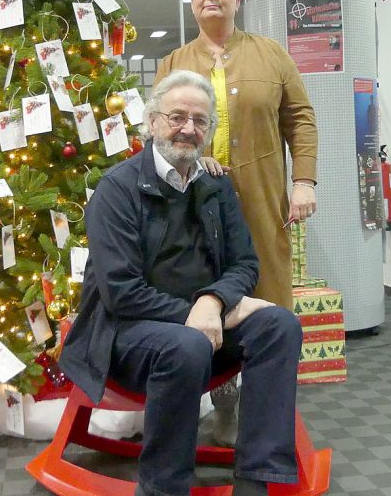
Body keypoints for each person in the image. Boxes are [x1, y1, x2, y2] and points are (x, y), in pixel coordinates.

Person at [59, 70, 304, 496]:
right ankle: (162, 487)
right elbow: (120, 292)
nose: (188, 128)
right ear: (152, 122)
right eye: (176, 117)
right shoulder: (116, 190)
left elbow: (245, 262)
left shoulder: (216, 185)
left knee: (280, 325)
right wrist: (201, 314)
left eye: (200, 120)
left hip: (206, 323)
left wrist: (214, 302)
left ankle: (257, 480)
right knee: (186, 343)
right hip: (126, 334)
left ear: (209, 130)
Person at [153, 0, 319, 445]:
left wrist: (304, 181)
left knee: (270, 301)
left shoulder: (272, 54)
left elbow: (301, 119)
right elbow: (160, 133)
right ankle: (225, 415)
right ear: (191, 0)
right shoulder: (174, 63)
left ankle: (272, 420)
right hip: (195, 209)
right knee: (212, 303)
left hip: (264, 202)